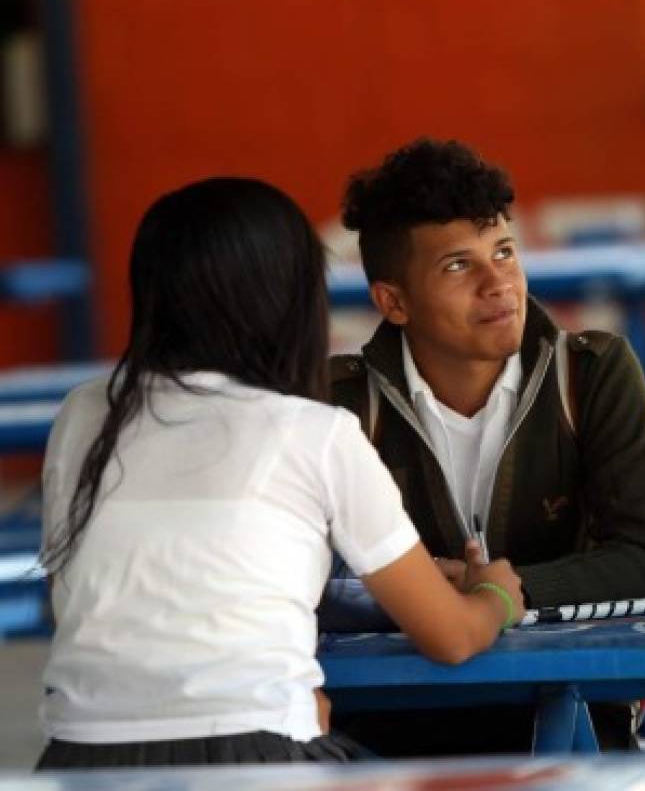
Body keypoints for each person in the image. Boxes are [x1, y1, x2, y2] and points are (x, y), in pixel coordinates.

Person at [36, 178, 525, 770]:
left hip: (76, 761)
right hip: (252, 757)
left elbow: (90, 600)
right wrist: (496, 594)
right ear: (290, 299)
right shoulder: (313, 431)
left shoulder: (85, 414)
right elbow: (449, 637)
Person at [326, 138, 645, 754]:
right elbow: (320, 580)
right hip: (397, 703)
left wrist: (498, 593)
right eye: (459, 265)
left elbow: (643, 562)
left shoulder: (591, 373)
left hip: (566, 700)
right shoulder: (345, 403)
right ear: (393, 301)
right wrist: (444, 603)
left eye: (505, 252)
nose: (499, 284)